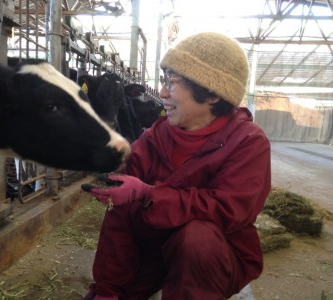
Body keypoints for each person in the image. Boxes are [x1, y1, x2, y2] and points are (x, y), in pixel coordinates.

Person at [81, 32, 271, 300]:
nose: (161, 93)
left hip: (212, 256)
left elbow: (228, 210)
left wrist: (149, 195)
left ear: (213, 93)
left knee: (197, 238)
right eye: (163, 80)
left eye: (171, 81)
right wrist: (108, 291)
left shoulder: (248, 142)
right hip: (154, 249)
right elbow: (120, 220)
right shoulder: (152, 140)